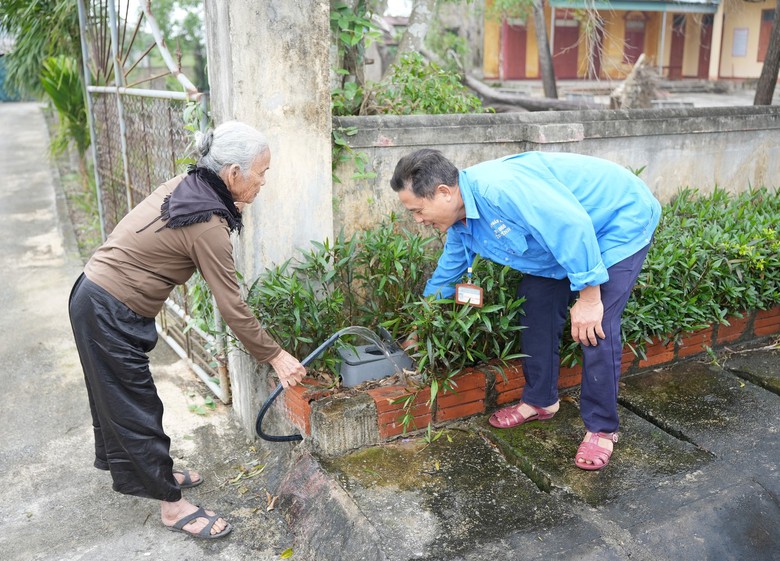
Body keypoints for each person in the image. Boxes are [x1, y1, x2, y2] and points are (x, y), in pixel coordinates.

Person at [68, 121, 307, 539]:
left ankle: (155, 474)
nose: (264, 181)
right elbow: (232, 305)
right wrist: (275, 354)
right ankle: (172, 507)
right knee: (134, 408)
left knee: (122, 402)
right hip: (107, 309)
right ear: (233, 174)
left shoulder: (192, 185)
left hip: (96, 297)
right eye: (262, 172)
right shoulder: (207, 222)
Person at [390, 149, 661, 471]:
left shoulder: (501, 190)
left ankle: (601, 428)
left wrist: (589, 299)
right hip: (563, 240)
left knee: (595, 327)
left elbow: (571, 226)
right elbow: (448, 272)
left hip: (616, 220)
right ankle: (541, 400)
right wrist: (421, 326)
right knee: (535, 305)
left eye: (418, 210)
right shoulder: (462, 222)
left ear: (444, 192)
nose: (418, 220)